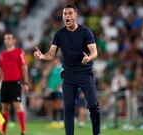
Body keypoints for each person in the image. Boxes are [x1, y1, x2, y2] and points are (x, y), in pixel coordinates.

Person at [34, 5, 100, 135]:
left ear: (76, 16)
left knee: (93, 106)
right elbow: (51, 54)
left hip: (85, 74)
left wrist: (89, 58)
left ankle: (96, 133)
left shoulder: (85, 32)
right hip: (68, 75)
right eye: (65, 14)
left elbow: (94, 52)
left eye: (70, 13)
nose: (67, 16)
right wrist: (42, 56)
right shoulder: (59, 34)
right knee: (68, 109)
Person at [0, 32, 29, 135]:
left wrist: (25, 83)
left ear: (14, 40)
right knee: (4, 107)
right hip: (4, 83)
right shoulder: (2, 54)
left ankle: (23, 130)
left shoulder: (19, 52)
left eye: (9, 38)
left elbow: (24, 67)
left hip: (15, 82)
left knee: (17, 105)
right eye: (5, 39)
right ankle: (3, 131)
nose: (7, 41)